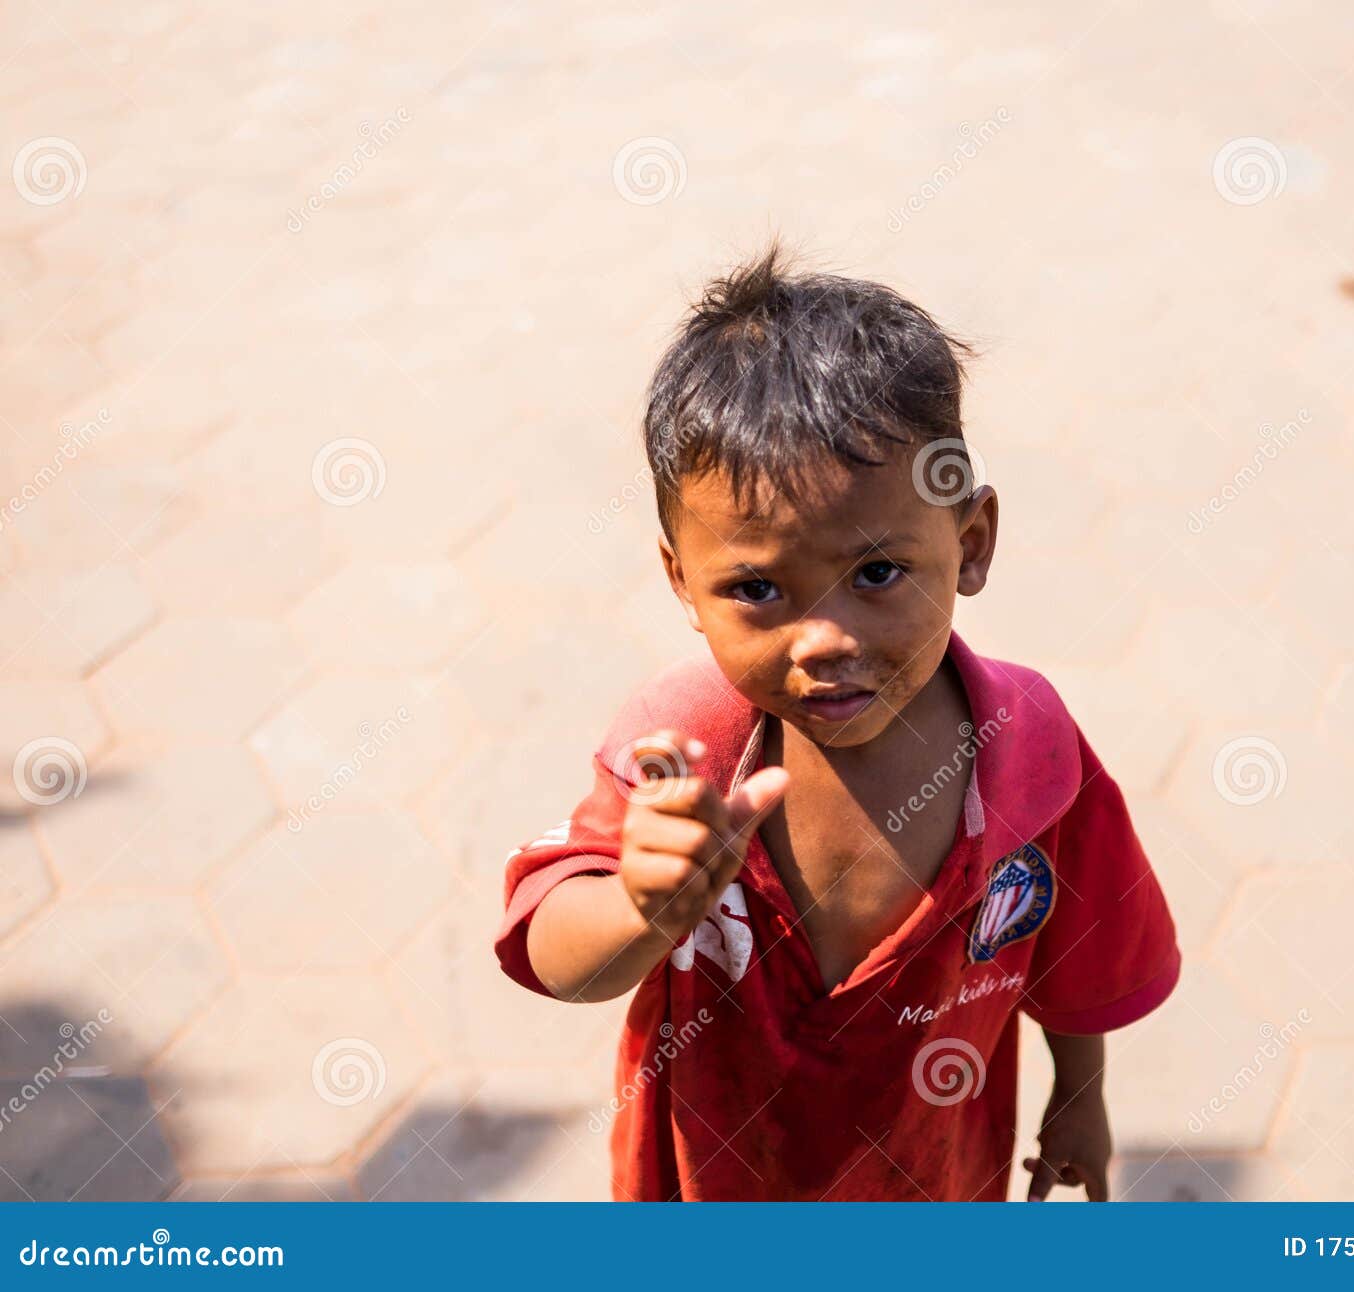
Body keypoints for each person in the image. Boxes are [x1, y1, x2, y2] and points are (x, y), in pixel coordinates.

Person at [493, 244, 1181, 1201]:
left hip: (934, 1177)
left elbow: (1074, 947)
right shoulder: (683, 752)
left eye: (876, 573)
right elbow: (558, 957)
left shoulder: (1026, 745)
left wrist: (1081, 1093)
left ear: (969, 544)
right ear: (682, 583)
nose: (823, 640)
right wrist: (640, 909)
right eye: (757, 588)